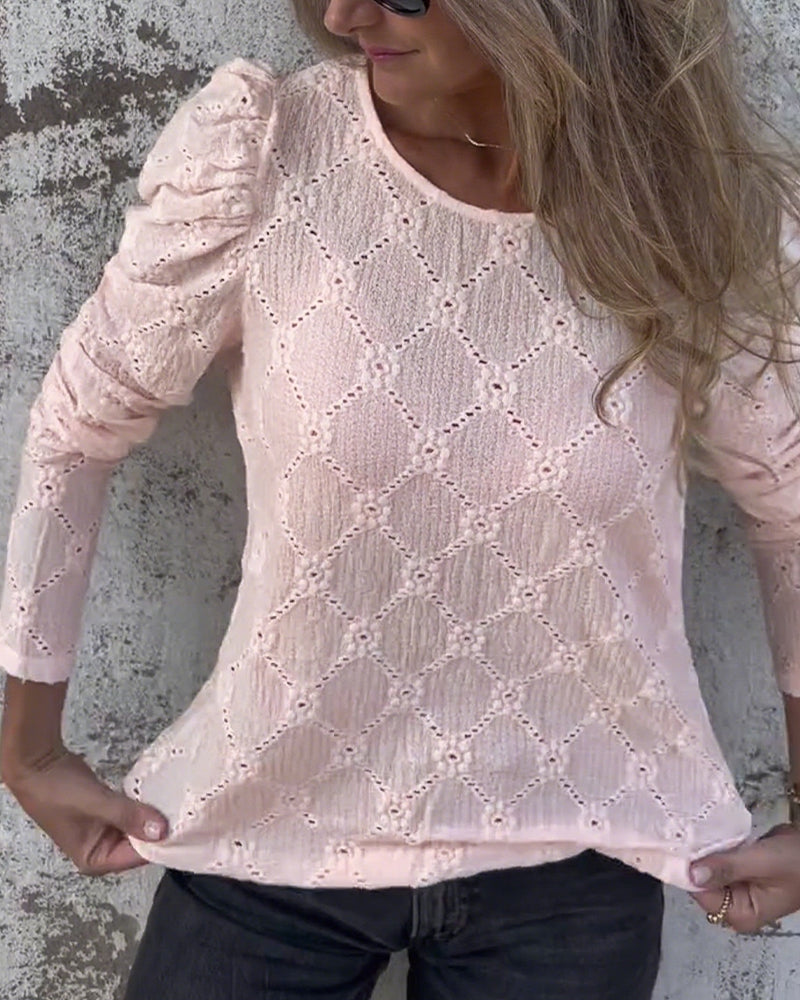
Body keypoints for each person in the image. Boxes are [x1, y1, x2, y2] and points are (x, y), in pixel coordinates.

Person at [3, 0, 800, 996]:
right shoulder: (268, 158)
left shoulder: (685, 208)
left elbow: (789, 508)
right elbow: (76, 425)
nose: (344, 14)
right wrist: (28, 750)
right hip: (264, 832)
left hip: (576, 865)